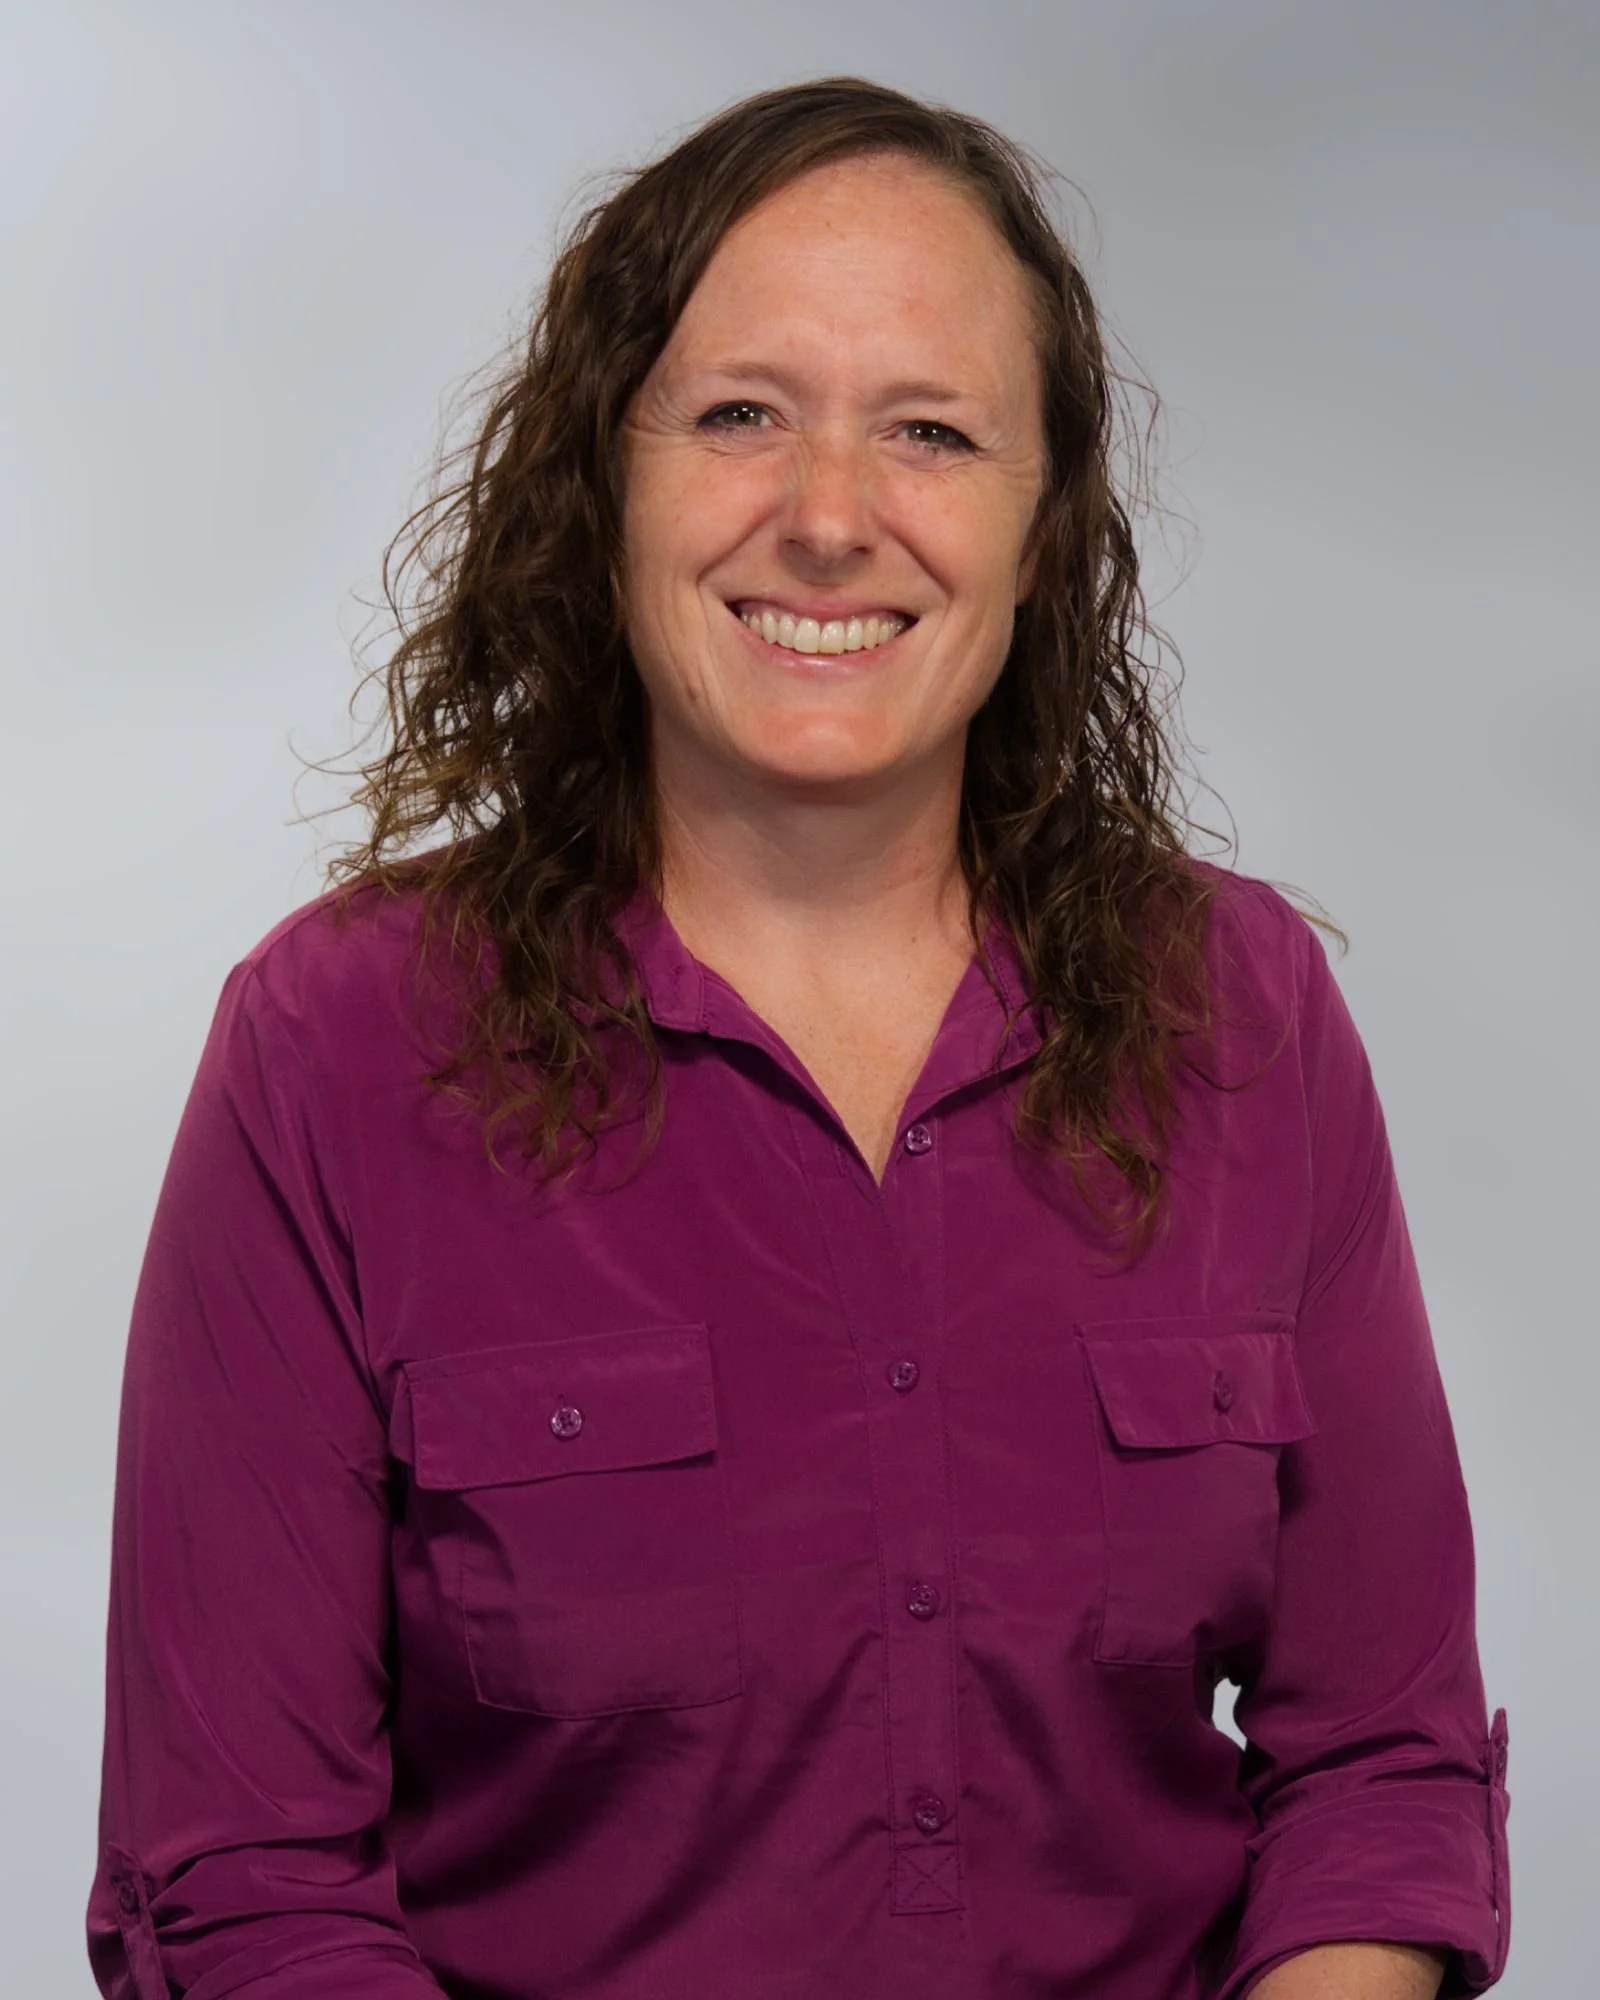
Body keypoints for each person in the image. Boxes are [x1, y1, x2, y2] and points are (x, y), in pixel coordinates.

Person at [86, 75, 1511, 2000]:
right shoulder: (332, 1048)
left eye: (931, 431)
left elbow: (1380, 1768)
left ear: (1043, 526)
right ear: (605, 482)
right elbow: (247, 1879)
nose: (831, 520)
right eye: (741, 415)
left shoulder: (1244, 1012)